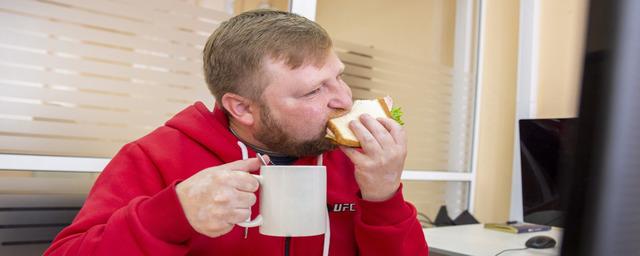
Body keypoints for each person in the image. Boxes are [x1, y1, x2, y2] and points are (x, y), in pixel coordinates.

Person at [44, 9, 428, 256]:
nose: (343, 99)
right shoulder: (154, 157)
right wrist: (172, 215)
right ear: (242, 107)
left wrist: (385, 196)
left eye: (339, 77)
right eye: (313, 91)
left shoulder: (355, 160)